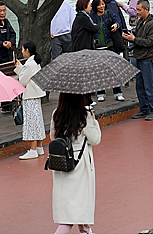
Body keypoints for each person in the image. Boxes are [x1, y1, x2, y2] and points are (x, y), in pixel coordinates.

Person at [50, 93, 101, 234]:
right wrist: (94, 121)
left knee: (73, 205)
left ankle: (86, 230)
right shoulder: (83, 115)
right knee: (72, 214)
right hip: (80, 164)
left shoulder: (56, 114)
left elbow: (53, 136)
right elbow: (95, 139)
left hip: (63, 163)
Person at [122, 0, 153, 120]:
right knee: (140, 86)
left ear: (146, 9)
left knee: (149, 86)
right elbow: (137, 36)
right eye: (137, 10)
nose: (137, 12)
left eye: (139, 10)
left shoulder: (152, 23)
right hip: (139, 57)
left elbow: (150, 42)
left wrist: (134, 39)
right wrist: (129, 36)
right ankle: (144, 108)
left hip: (148, 58)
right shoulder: (141, 21)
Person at [14, 41, 47, 160]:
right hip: (35, 96)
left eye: (23, 50)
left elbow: (22, 81)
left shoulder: (30, 64)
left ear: (27, 50)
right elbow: (26, 74)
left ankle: (33, 150)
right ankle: (39, 147)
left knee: (32, 122)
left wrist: (19, 69)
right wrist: (19, 68)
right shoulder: (34, 62)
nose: (22, 52)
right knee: (37, 120)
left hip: (30, 96)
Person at [89, 0, 124, 102]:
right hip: (98, 47)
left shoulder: (109, 13)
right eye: (99, 4)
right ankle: (100, 92)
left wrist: (116, 25)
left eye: (103, 4)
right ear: (95, 6)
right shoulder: (92, 16)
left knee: (113, 70)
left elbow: (118, 20)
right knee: (99, 71)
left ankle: (118, 92)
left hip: (110, 45)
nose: (102, 6)